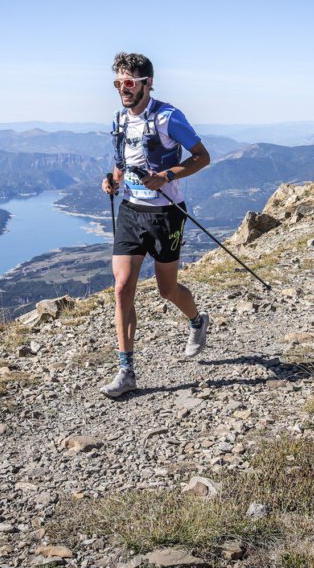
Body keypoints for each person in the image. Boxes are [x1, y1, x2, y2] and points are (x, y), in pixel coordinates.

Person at [99, 52, 212, 398]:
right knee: (122, 289)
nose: (123, 89)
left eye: (129, 82)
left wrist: (165, 176)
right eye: (118, 83)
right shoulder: (119, 119)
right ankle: (126, 370)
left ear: (147, 83)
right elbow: (123, 162)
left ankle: (197, 321)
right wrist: (113, 182)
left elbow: (201, 157)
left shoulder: (168, 117)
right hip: (132, 211)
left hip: (166, 213)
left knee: (167, 290)